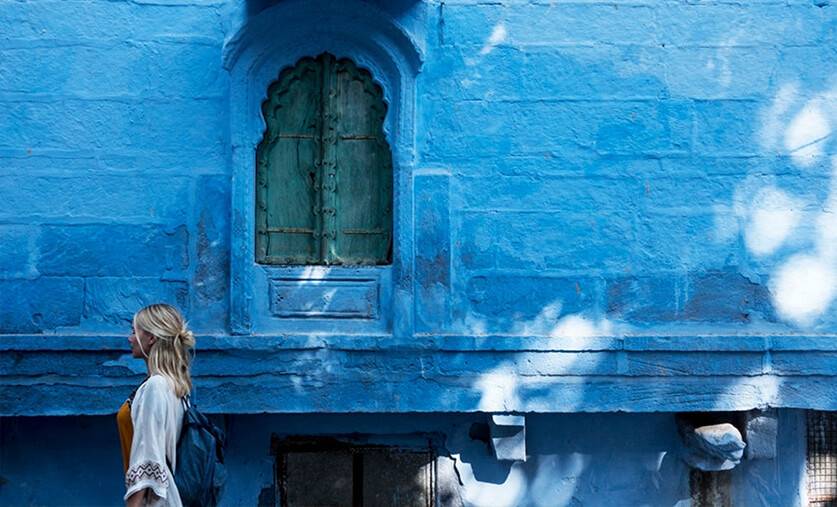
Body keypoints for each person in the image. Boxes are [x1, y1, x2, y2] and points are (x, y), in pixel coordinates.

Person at [116, 304, 195, 507]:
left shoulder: (156, 386)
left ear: (151, 338)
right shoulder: (175, 385)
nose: (130, 338)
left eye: (134, 331)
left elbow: (148, 457)